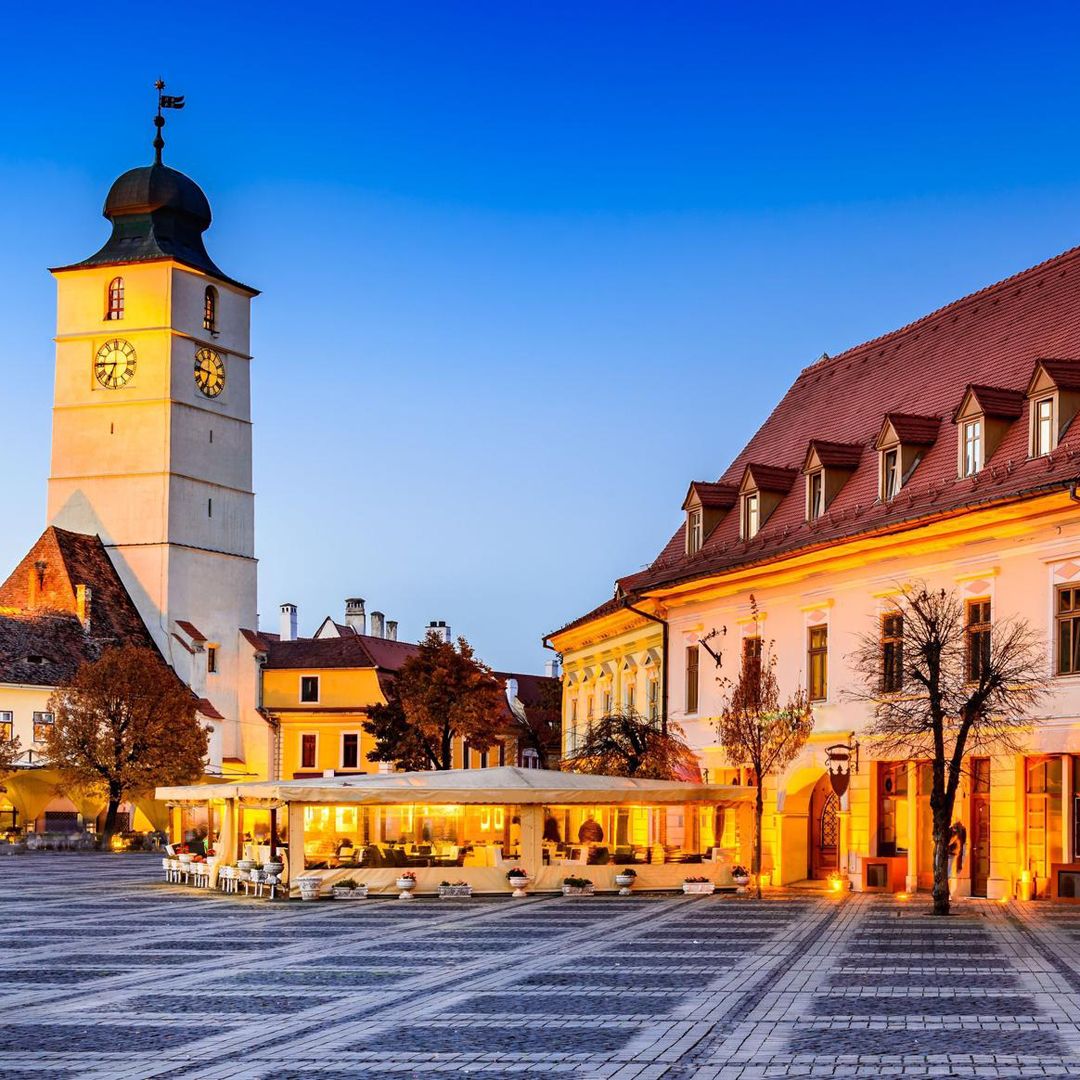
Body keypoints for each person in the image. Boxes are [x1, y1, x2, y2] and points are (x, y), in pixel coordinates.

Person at [947, 821, 967, 900]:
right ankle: (949, 893)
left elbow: (962, 844)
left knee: (950, 874)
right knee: (948, 875)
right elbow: (949, 842)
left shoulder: (960, 832)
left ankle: (950, 893)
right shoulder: (954, 833)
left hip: (954, 854)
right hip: (951, 854)